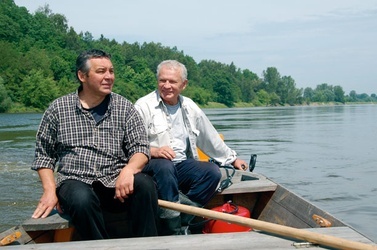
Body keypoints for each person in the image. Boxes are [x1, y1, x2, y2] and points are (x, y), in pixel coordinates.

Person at [31, 49, 158, 240]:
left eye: (111, 71)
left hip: (116, 183)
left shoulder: (124, 107)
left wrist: (129, 169)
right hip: (75, 181)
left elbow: (140, 148)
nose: (109, 77)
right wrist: (50, 191)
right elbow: (44, 156)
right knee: (82, 199)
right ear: (82, 76)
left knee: (145, 185)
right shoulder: (58, 109)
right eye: (101, 71)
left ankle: (147, 244)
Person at [135, 59, 248, 235]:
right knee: (165, 166)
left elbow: (209, 137)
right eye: (162, 80)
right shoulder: (143, 106)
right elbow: (130, 145)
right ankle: (173, 231)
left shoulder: (189, 106)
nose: (166, 85)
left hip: (180, 165)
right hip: (151, 165)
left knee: (212, 172)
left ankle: (181, 219)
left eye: (172, 81)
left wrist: (232, 158)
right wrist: (155, 151)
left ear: (184, 84)